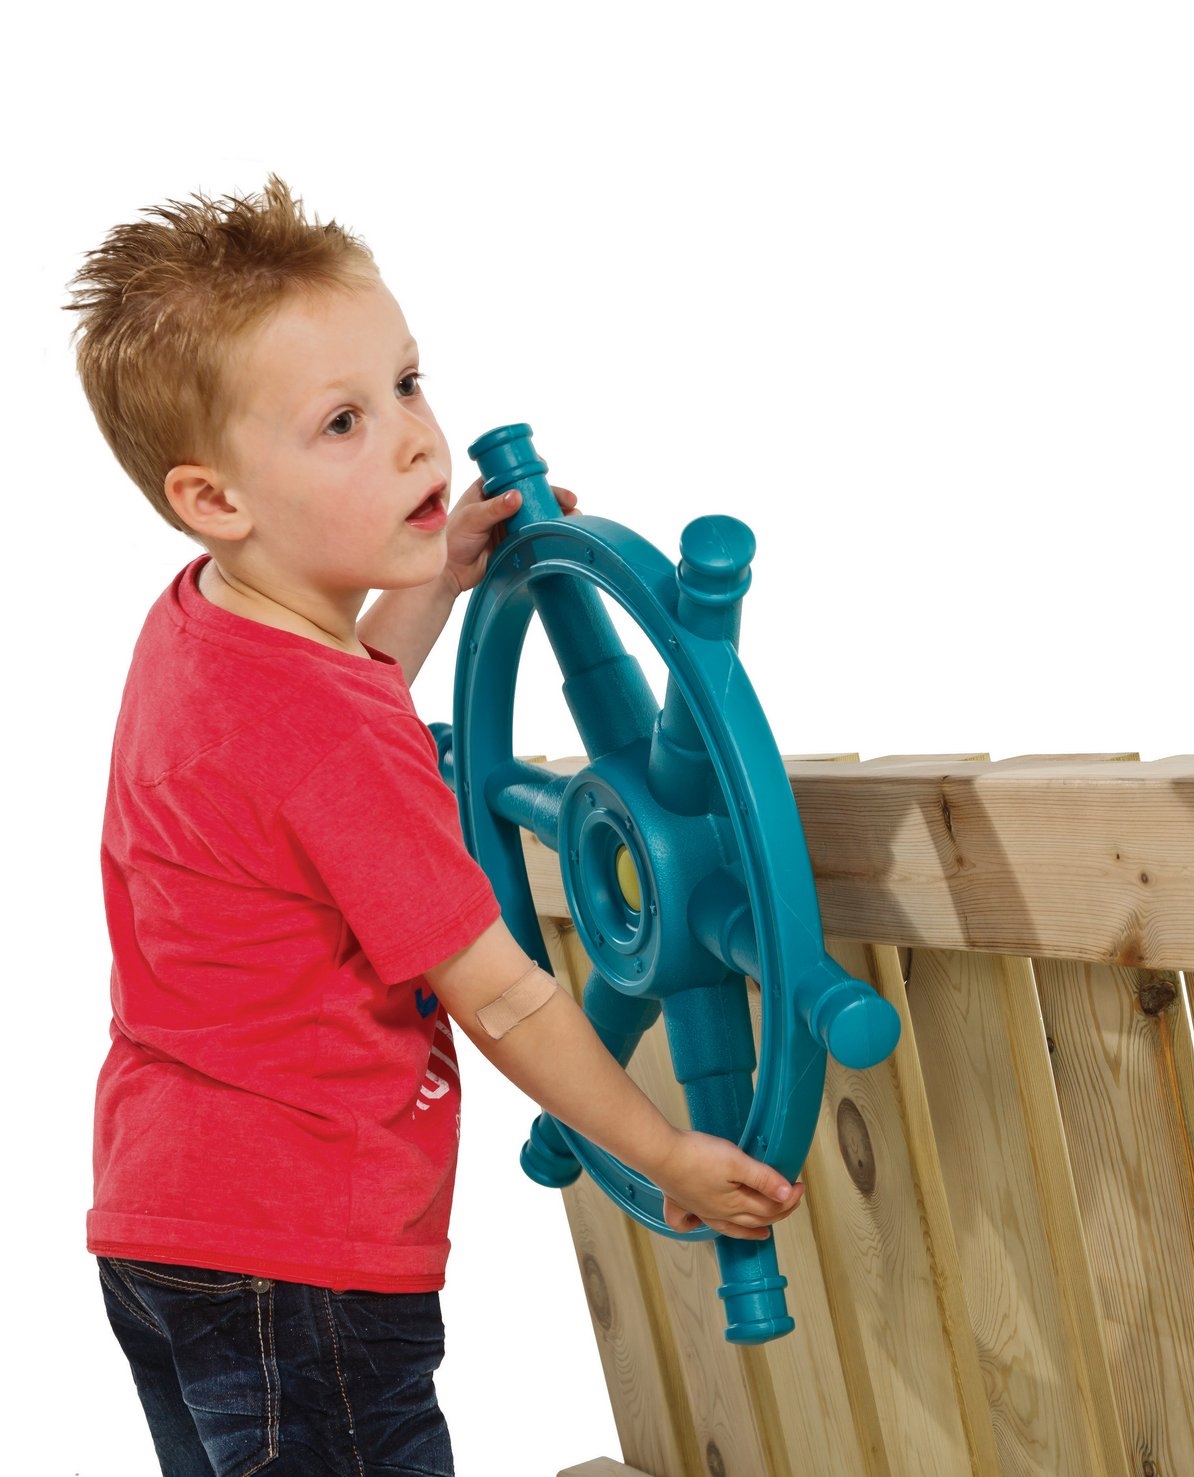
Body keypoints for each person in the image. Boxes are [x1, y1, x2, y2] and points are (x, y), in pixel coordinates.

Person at [69, 177, 801, 1475]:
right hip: (302, 1255)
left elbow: (323, 742)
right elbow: (503, 993)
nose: (416, 441)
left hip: (165, 1218)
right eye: (343, 421)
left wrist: (441, 580)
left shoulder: (202, 625)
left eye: (408, 383)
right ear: (217, 499)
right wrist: (661, 1151)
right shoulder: (333, 741)